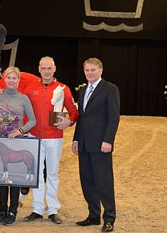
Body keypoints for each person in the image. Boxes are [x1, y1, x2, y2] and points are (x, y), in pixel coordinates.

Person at [23, 56, 79, 224]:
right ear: (39, 69)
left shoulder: (63, 88)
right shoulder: (30, 87)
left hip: (54, 138)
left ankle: (53, 209)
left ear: (54, 69)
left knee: (52, 173)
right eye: (43, 68)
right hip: (34, 137)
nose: (46, 71)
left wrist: (69, 121)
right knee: (36, 174)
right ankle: (37, 209)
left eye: (49, 68)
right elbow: (24, 112)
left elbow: (73, 111)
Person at [72, 58, 120, 232]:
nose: (90, 73)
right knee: (87, 181)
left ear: (100, 70)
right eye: (87, 70)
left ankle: (109, 218)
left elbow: (114, 117)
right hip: (84, 143)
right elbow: (82, 118)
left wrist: (108, 140)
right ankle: (93, 216)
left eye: (93, 70)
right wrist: (76, 140)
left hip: (101, 144)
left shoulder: (110, 89)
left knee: (104, 181)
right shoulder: (83, 90)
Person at [0, 66, 36, 226]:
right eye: (9, 78)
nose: (11, 81)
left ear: (18, 80)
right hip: (1, 139)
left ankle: (13, 211)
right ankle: (2, 210)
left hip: (16, 140)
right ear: (4, 79)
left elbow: (33, 120)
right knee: (2, 177)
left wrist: (19, 130)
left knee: (13, 178)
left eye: (14, 78)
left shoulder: (23, 98)